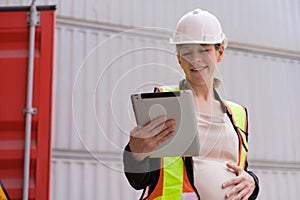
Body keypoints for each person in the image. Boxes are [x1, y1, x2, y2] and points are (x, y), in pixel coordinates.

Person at [123, 8, 259, 200]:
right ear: (179, 59)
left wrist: (253, 181)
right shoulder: (167, 103)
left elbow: (240, 170)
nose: (195, 58)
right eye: (187, 51)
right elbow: (139, 179)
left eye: (204, 49)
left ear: (220, 52)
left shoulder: (237, 114)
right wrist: (135, 153)